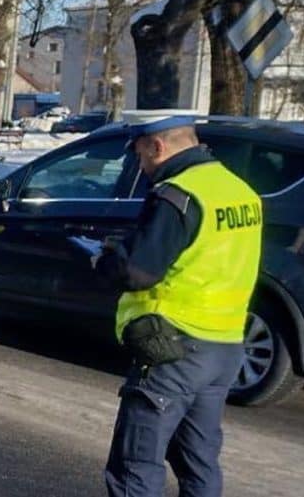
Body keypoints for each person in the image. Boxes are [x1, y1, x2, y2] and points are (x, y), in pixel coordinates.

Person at [95, 114, 263, 497]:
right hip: (225, 346)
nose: (142, 166)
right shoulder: (239, 191)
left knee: (135, 466)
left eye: (140, 155)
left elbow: (139, 271)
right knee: (199, 463)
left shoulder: (178, 194)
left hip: (172, 346)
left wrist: (106, 261)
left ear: (158, 146)